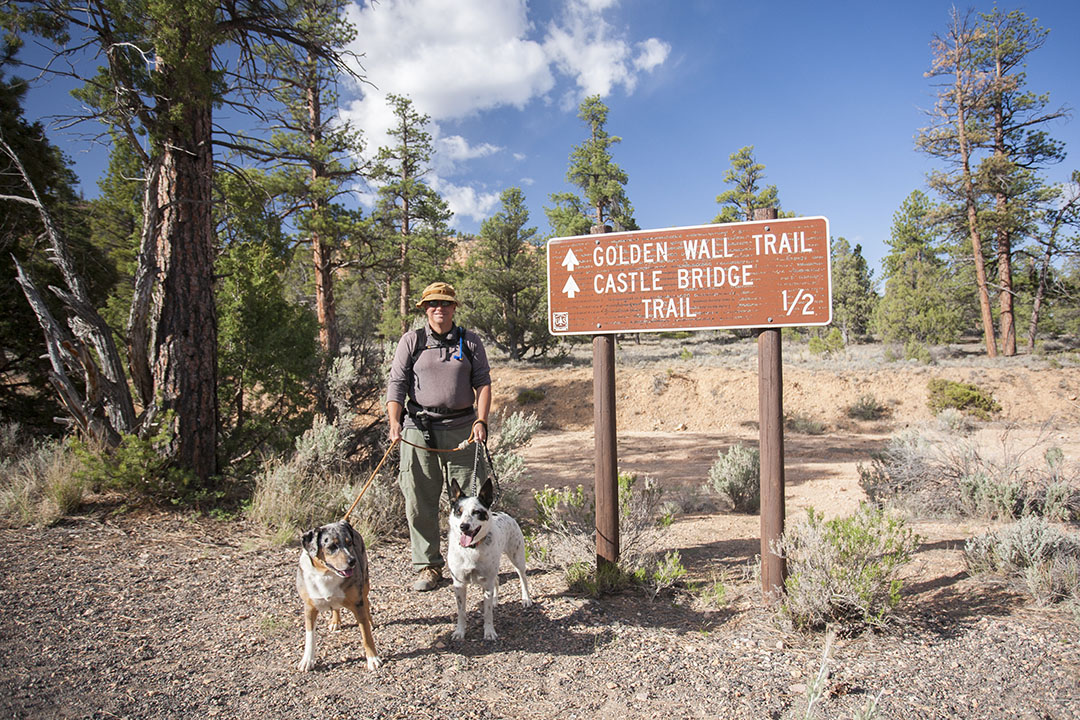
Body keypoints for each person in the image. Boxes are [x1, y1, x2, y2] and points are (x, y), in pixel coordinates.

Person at [386, 281, 491, 591]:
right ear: (424, 308)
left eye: (445, 303)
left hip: (463, 430)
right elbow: (397, 383)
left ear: (454, 307)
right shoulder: (412, 341)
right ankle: (428, 567)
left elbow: (483, 384)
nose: (439, 308)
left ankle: (471, 562)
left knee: (470, 502)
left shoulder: (470, 341)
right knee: (420, 500)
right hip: (418, 429)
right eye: (433, 303)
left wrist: (481, 420)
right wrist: (394, 421)